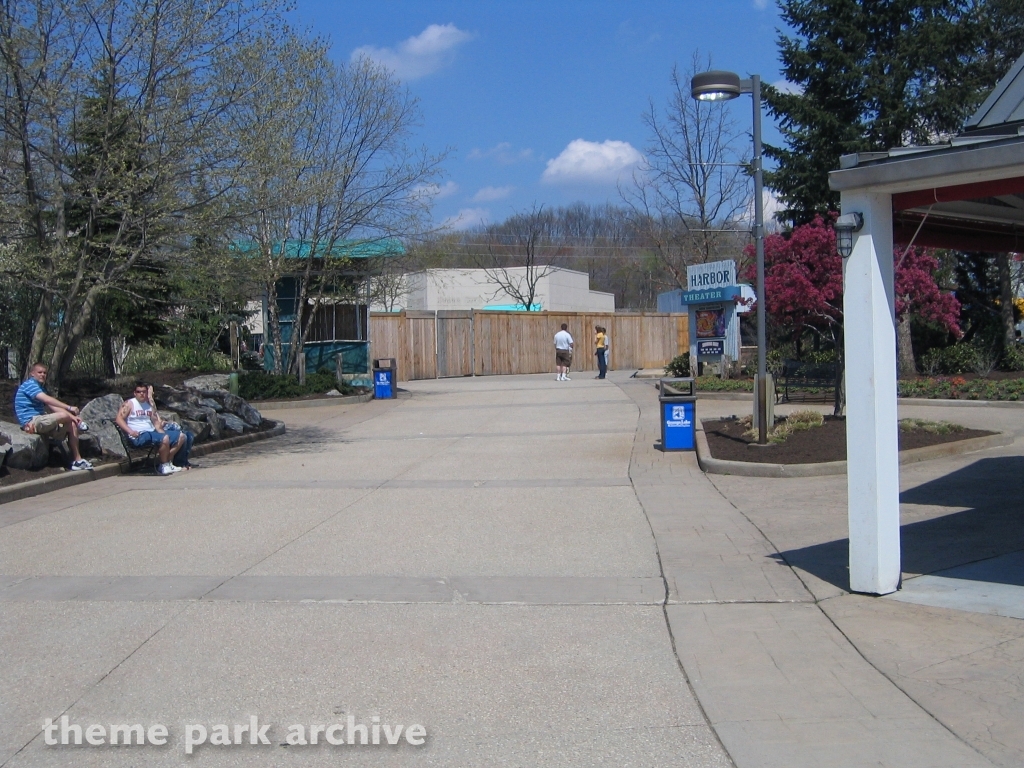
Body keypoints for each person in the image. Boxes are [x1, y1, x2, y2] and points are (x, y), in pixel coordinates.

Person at [14, 363, 94, 471]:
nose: (43, 375)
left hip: (41, 420)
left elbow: (53, 406)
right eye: (39, 372)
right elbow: (47, 399)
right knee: (64, 415)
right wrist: (69, 408)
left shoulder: (40, 388)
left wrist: (73, 418)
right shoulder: (29, 385)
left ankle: (77, 461)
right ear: (32, 374)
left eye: (44, 373)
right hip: (32, 422)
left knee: (72, 424)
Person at [115, 383, 194, 475]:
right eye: (139, 392)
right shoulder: (129, 403)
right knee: (164, 438)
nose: (141, 394)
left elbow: (156, 423)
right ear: (135, 393)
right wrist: (130, 431)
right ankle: (164, 465)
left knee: (182, 436)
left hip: (152, 432)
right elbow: (119, 419)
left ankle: (167, 463)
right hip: (140, 435)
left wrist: (162, 433)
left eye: (144, 392)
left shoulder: (149, 405)